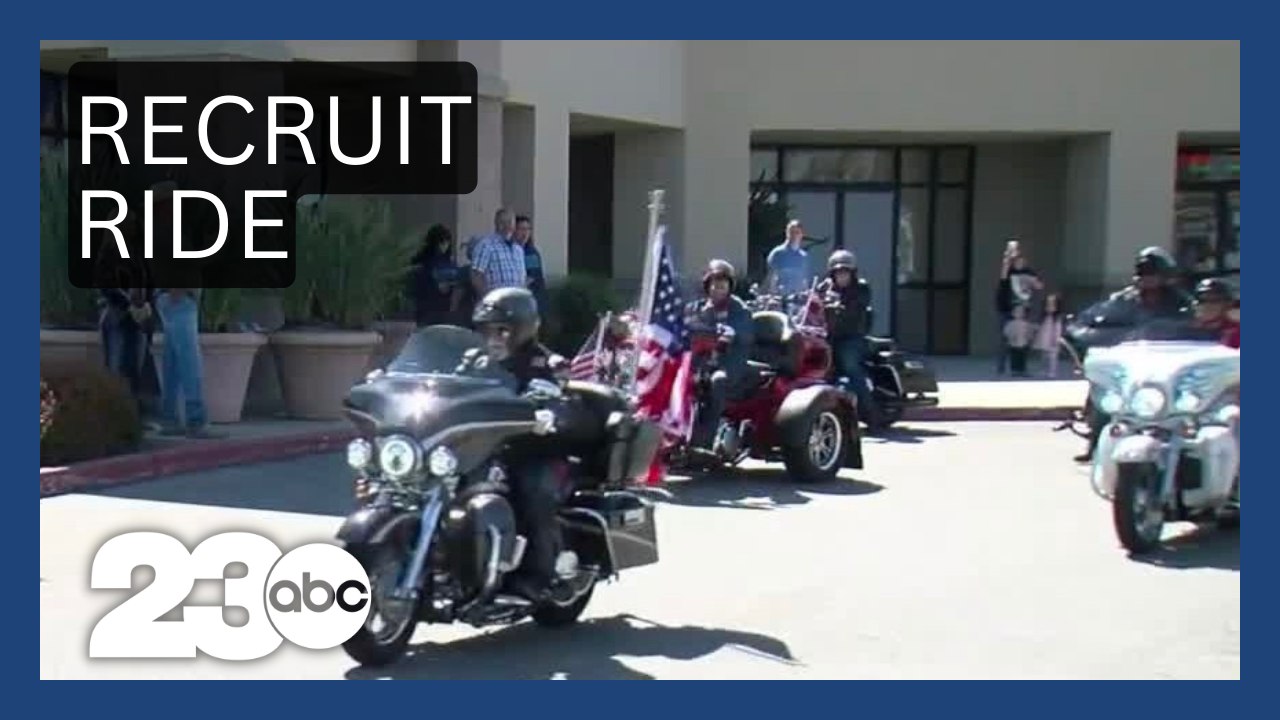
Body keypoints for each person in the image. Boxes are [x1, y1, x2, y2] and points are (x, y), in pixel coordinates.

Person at [467, 286, 573, 603]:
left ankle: (541, 576)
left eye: (502, 331)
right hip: (483, 446)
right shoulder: (474, 360)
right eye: (487, 331)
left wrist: (545, 410)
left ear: (523, 329)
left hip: (532, 449)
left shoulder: (547, 363)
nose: (493, 339)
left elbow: (557, 399)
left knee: (533, 492)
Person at [1073, 246, 1193, 462]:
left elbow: (1199, 326)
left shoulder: (1182, 303)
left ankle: (1190, 448)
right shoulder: (1122, 300)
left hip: (1170, 365)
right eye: (1143, 273)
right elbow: (1084, 325)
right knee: (1106, 393)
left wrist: (1170, 329)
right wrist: (1113, 336)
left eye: (1154, 274)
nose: (1148, 279)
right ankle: (1096, 442)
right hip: (1130, 364)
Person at [149, 182, 226, 440]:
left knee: (173, 361)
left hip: (171, 297)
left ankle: (170, 417)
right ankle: (196, 419)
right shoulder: (168, 230)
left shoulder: (160, 229)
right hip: (178, 299)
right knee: (189, 360)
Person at [94, 211, 156, 426]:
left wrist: (144, 304)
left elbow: (147, 281)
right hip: (117, 315)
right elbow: (106, 286)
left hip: (137, 316)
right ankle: (113, 418)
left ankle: (133, 417)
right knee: (116, 366)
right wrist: (128, 304)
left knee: (134, 367)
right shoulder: (109, 254)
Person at [687, 260, 755, 455]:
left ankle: (706, 444)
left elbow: (745, 334)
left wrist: (731, 333)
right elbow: (684, 327)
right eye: (714, 285)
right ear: (707, 285)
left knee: (717, 382)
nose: (717, 289)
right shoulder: (697, 307)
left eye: (722, 286)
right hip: (700, 363)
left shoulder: (739, 309)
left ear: (729, 287)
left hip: (729, 364)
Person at [818, 250, 881, 427]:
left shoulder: (861, 288)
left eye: (845, 271)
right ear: (832, 273)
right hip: (829, 336)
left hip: (852, 337)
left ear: (852, 273)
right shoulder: (825, 287)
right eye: (838, 272)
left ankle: (871, 414)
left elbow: (856, 305)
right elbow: (811, 300)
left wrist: (840, 306)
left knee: (849, 366)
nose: (842, 275)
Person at [994, 240, 1043, 374]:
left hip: (1022, 309)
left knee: (1022, 338)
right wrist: (1008, 255)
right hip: (1006, 307)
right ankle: (1001, 366)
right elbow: (1004, 271)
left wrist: (1032, 282)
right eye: (1017, 261)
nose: (1019, 263)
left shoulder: (1029, 272)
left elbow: (1039, 286)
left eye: (1021, 261)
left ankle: (1019, 367)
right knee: (1005, 338)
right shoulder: (1009, 271)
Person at [409, 224, 461, 327]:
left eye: (447, 242)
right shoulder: (424, 262)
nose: (445, 245)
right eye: (442, 242)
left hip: (444, 308)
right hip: (428, 307)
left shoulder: (448, 261)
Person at [470, 208, 526, 297]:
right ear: (496, 224)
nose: (507, 226)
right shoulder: (486, 245)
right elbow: (476, 275)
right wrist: (487, 297)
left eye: (510, 222)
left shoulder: (518, 250)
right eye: (502, 222)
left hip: (516, 300)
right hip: (496, 300)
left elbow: (522, 278)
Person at [765, 220, 813, 297]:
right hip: (781, 298)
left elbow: (806, 281)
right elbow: (770, 278)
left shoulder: (804, 256)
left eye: (797, 232)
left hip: (798, 298)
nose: (794, 235)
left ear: (801, 235)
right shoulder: (777, 254)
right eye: (791, 232)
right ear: (787, 233)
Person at [1191, 278, 1240, 349]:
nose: (1207, 305)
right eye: (1201, 300)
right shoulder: (1184, 331)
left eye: (1214, 300)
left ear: (1228, 304)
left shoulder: (1237, 333)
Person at [514, 215, 549, 313]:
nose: (525, 233)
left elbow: (530, 277)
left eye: (527, 229)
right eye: (521, 229)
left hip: (532, 299)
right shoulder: (509, 250)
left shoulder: (531, 253)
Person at [1035, 293, 1065, 378]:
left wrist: (1056, 338)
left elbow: (1058, 329)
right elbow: (1041, 327)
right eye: (1048, 305)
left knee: (1053, 356)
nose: (1050, 307)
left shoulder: (1057, 318)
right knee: (1044, 356)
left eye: (1052, 305)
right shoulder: (1044, 317)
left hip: (1053, 338)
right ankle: (1043, 370)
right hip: (1044, 338)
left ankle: (1052, 371)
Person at [1003, 304, 1035, 377]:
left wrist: (1029, 338)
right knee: (1014, 357)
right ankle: (1014, 370)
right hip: (1013, 344)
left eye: (1021, 312)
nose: (1019, 314)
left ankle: (1022, 370)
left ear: (1024, 314)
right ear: (1013, 313)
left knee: (1022, 357)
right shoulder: (1010, 323)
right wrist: (1010, 337)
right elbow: (1006, 332)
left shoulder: (1026, 324)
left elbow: (1029, 331)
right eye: (1017, 312)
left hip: (1023, 343)